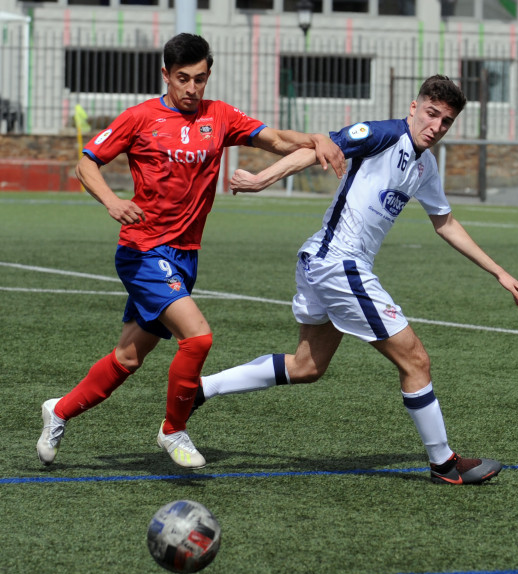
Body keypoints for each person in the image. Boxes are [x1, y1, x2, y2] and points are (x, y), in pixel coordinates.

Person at [191, 74, 518, 484]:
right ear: (413, 107)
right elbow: (322, 146)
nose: (436, 127)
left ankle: (199, 389)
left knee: (306, 366)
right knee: (416, 360)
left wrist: (498, 271)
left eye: (446, 122)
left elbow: (445, 222)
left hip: (323, 262)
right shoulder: (383, 134)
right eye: (431, 114)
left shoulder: (425, 165)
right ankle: (444, 463)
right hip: (339, 263)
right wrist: (264, 179)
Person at [36, 33, 344, 469]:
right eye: (182, 79)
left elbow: (274, 138)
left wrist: (315, 138)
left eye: (200, 79)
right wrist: (113, 201)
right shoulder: (140, 117)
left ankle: (59, 410)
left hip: (183, 256)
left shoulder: (218, 116)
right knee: (198, 337)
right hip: (142, 251)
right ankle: (173, 430)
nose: (191, 88)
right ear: (166, 75)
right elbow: (86, 163)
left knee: (128, 357)